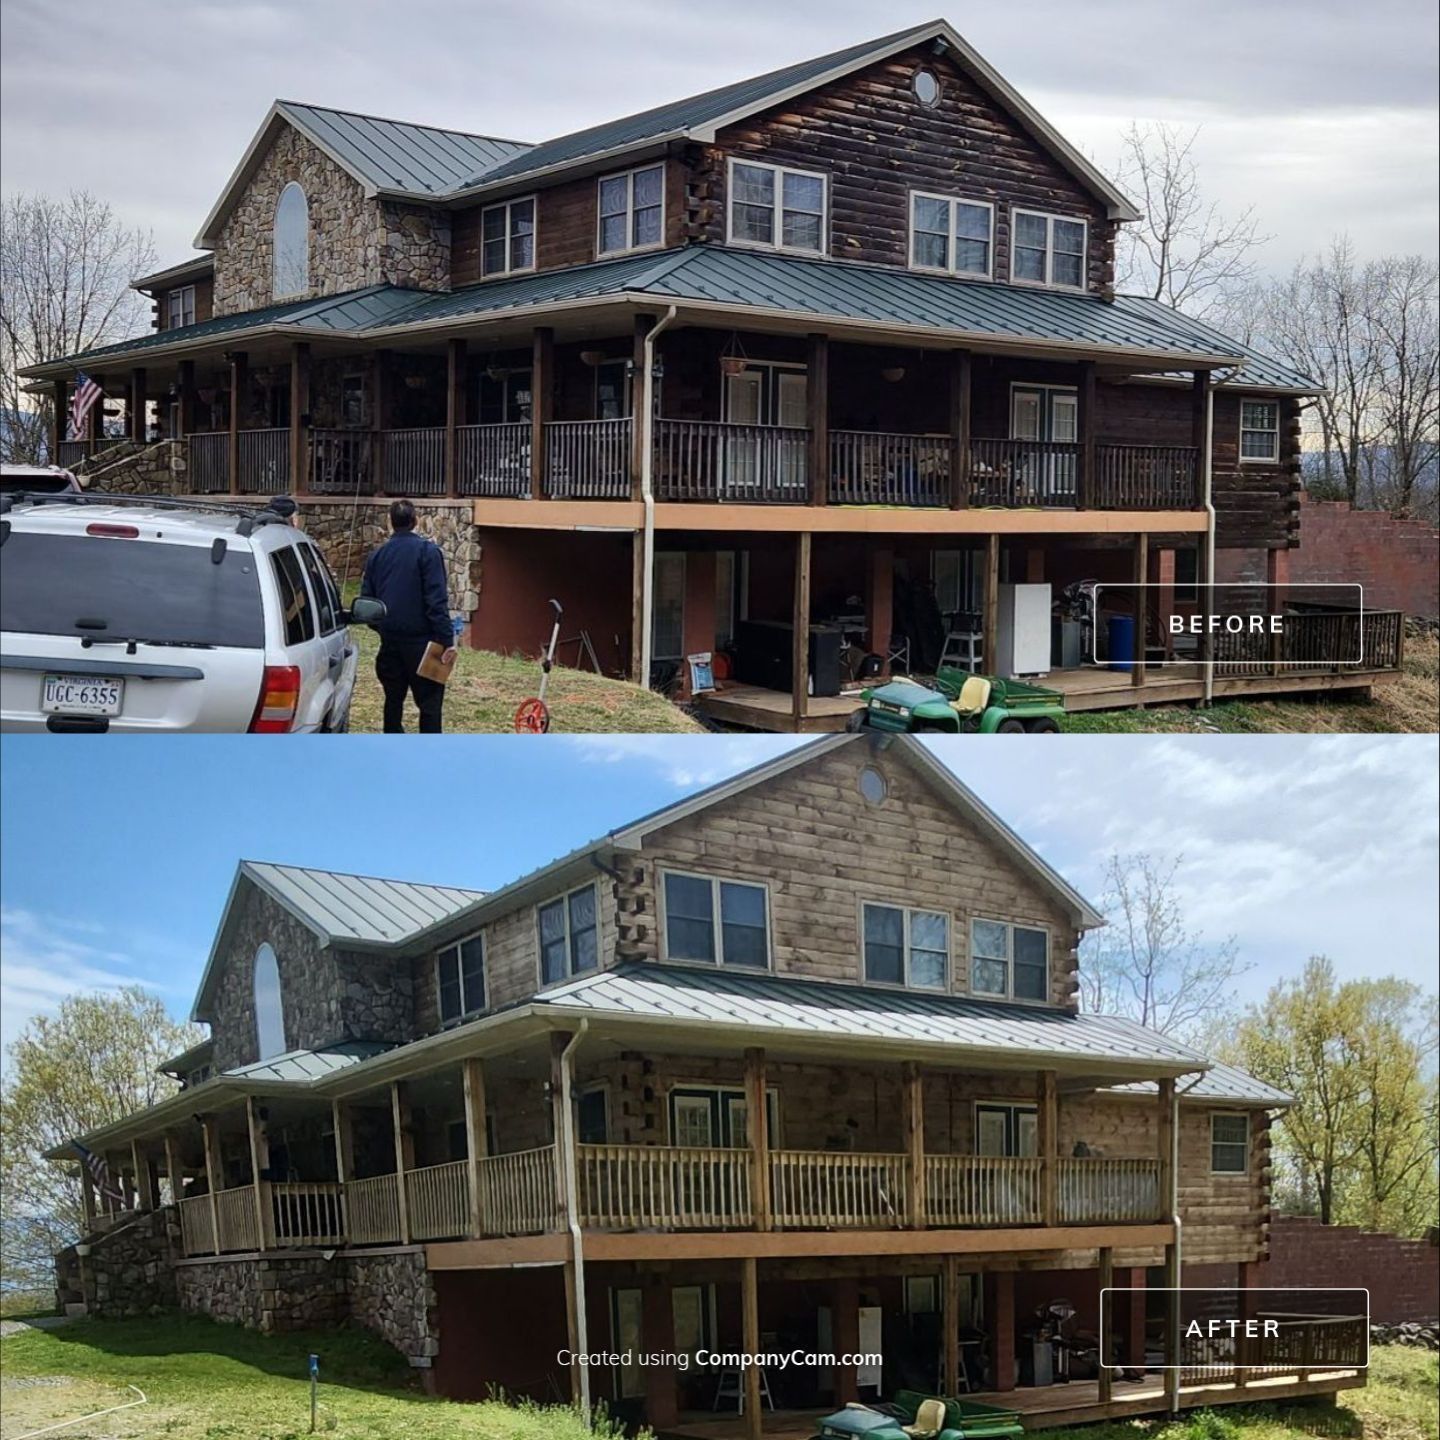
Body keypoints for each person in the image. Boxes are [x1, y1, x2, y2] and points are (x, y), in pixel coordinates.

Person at [360, 499, 457, 733]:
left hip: (390, 641)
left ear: (391, 523)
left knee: (393, 700)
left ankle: (393, 749)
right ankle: (429, 752)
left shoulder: (378, 555)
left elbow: (367, 603)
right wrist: (446, 640)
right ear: (415, 521)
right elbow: (436, 601)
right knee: (430, 705)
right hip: (424, 643)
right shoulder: (428, 552)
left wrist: (382, 628)